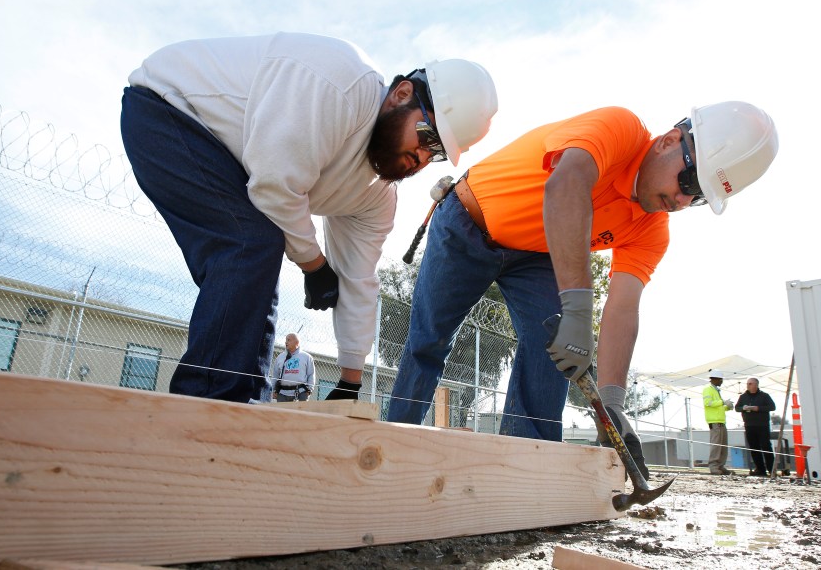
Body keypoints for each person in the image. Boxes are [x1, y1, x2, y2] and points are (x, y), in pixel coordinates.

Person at [387, 102, 779, 479]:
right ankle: (396, 450)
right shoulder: (619, 128)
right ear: (669, 141)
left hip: (536, 254)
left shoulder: (652, 229)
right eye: (689, 181)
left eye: (698, 199)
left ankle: (529, 471)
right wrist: (576, 308)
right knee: (429, 337)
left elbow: (624, 308)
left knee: (552, 349)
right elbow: (566, 183)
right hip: (467, 221)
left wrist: (612, 404)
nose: (681, 200)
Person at [120, 32, 498, 404]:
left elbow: (358, 278)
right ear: (401, 94)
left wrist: (351, 380)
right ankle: (204, 406)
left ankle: (244, 403)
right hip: (169, 106)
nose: (421, 156)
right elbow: (273, 186)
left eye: (436, 153)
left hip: (233, 156)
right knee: (249, 243)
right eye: (426, 135)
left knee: (258, 253)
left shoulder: (377, 196)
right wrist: (314, 265)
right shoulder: (341, 85)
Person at [735, 377, 777, 476]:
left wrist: (757, 408)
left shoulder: (764, 396)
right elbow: (737, 408)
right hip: (749, 425)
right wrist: (743, 408)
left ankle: (771, 469)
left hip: (762, 425)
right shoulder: (743, 397)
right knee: (754, 448)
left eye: (750, 384)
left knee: (766, 446)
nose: (748, 385)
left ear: (756, 385)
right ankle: (760, 469)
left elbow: (772, 407)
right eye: (747, 383)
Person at [703, 371, 735, 475]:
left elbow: (717, 407)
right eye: (720, 379)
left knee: (722, 446)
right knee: (716, 446)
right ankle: (714, 466)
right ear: (714, 379)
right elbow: (708, 403)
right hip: (715, 422)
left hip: (721, 422)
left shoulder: (716, 391)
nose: (721, 381)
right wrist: (723, 402)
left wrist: (727, 407)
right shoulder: (708, 389)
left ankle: (720, 465)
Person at [271, 333, 316, 402]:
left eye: (289, 340)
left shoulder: (307, 357)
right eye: (286, 340)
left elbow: (311, 374)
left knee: (300, 413)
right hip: (282, 393)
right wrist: (273, 390)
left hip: (301, 393)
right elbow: (275, 375)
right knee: (281, 413)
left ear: (297, 342)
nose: (286, 342)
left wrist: (310, 389)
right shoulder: (280, 357)